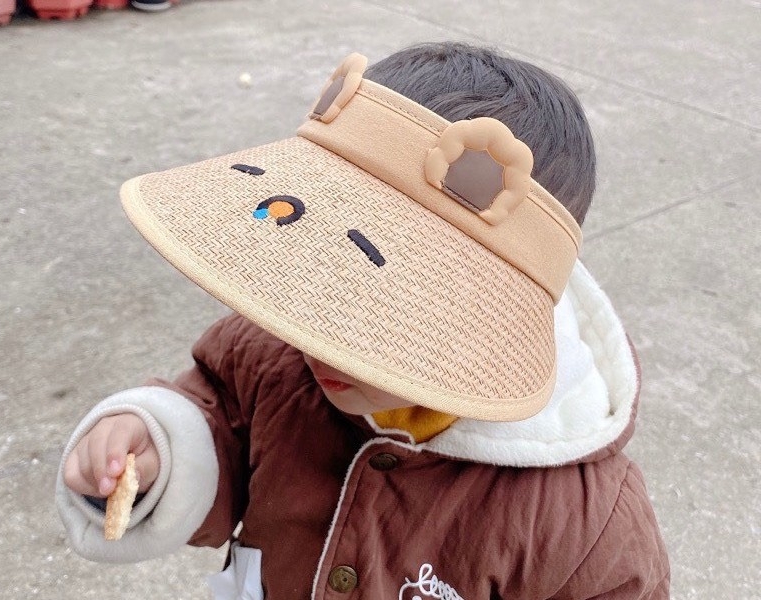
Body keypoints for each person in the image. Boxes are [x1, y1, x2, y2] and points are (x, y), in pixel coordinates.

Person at [56, 42, 670, 599]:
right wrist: (159, 448)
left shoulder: (584, 523)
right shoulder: (268, 355)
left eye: (391, 309)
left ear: (489, 324)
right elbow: (220, 417)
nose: (329, 344)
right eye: (327, 277)